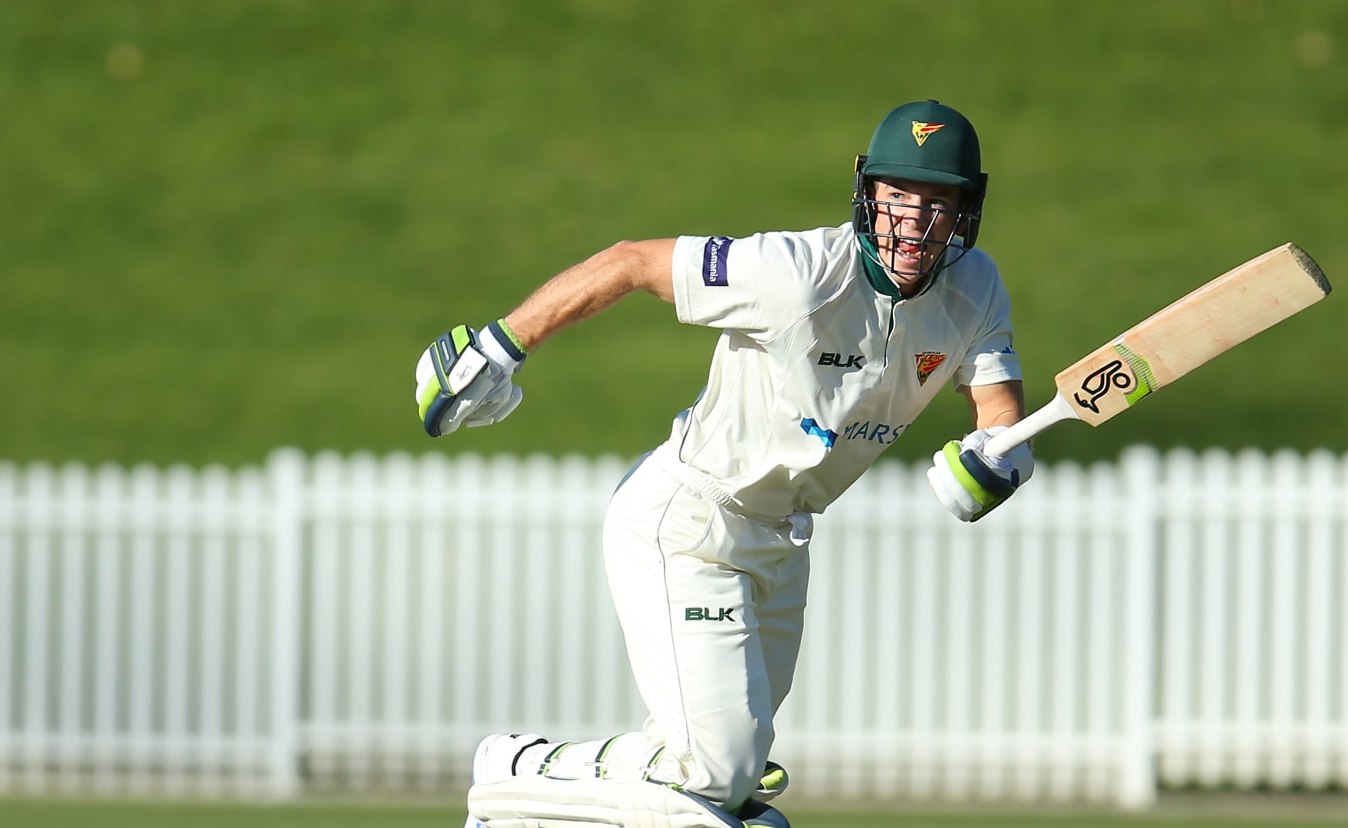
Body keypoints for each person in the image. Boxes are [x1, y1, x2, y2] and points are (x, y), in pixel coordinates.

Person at [413, 99, 1037, 828]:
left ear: (966, 209)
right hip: (690, 519)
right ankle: (507, 791)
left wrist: (998, 459)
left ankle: (527, 768)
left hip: (784, 539)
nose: (914, 221)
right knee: (714, 777)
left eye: (937, 202)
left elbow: (1000, 415)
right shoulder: (797, 274)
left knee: (729, 786)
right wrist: (501, 344)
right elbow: (631, 263)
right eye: (899, 198)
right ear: (869, 196)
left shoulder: (977, 287)